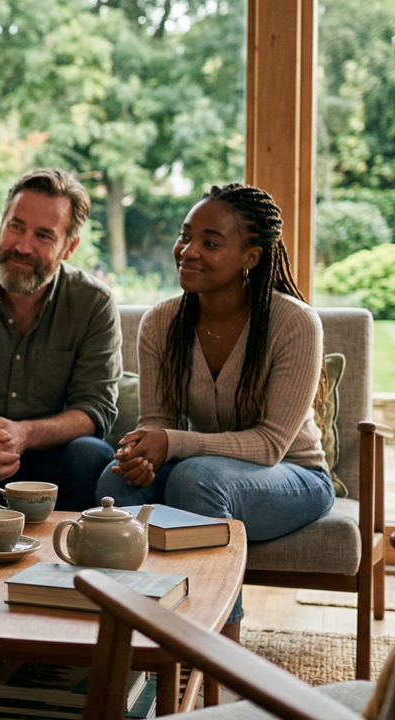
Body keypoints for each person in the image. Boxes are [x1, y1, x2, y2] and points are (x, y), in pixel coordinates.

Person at [96, 183, 334, 631]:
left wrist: (171, 443)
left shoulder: (295, 323)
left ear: (251, 257)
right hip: (208, 469)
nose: (188, 251)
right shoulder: (161, 322)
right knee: (116, 481)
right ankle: (133, 636)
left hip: (296, 475)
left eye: (210, 243)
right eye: (185, 236)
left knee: (196, 478)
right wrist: (141, 455)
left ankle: (219, 644)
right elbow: (158, 421)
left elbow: (270, 445)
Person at [0, 168, 121, 511]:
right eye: (16, 227)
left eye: (44, 235)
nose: (22, 246)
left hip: (51, 459)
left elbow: (96, 409)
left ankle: (66, 544)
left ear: (69, 247)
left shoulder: (94, 303)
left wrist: (25, 434)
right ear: (1, 224)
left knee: (91, 454)